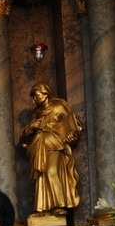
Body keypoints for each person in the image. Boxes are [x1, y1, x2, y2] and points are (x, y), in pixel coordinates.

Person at [20, 82, 82, 216]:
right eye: (33, 97)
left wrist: (72, 135)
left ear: (45, 93)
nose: (35, 99)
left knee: (53, 172)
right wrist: (32, 126)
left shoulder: (58, 107)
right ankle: (42, 209)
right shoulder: (36, 113)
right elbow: (25, 137)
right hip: (38, 146)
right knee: (41, 176)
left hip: (55, 145)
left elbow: (72, 124)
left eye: (37, 96)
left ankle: (58, 205)